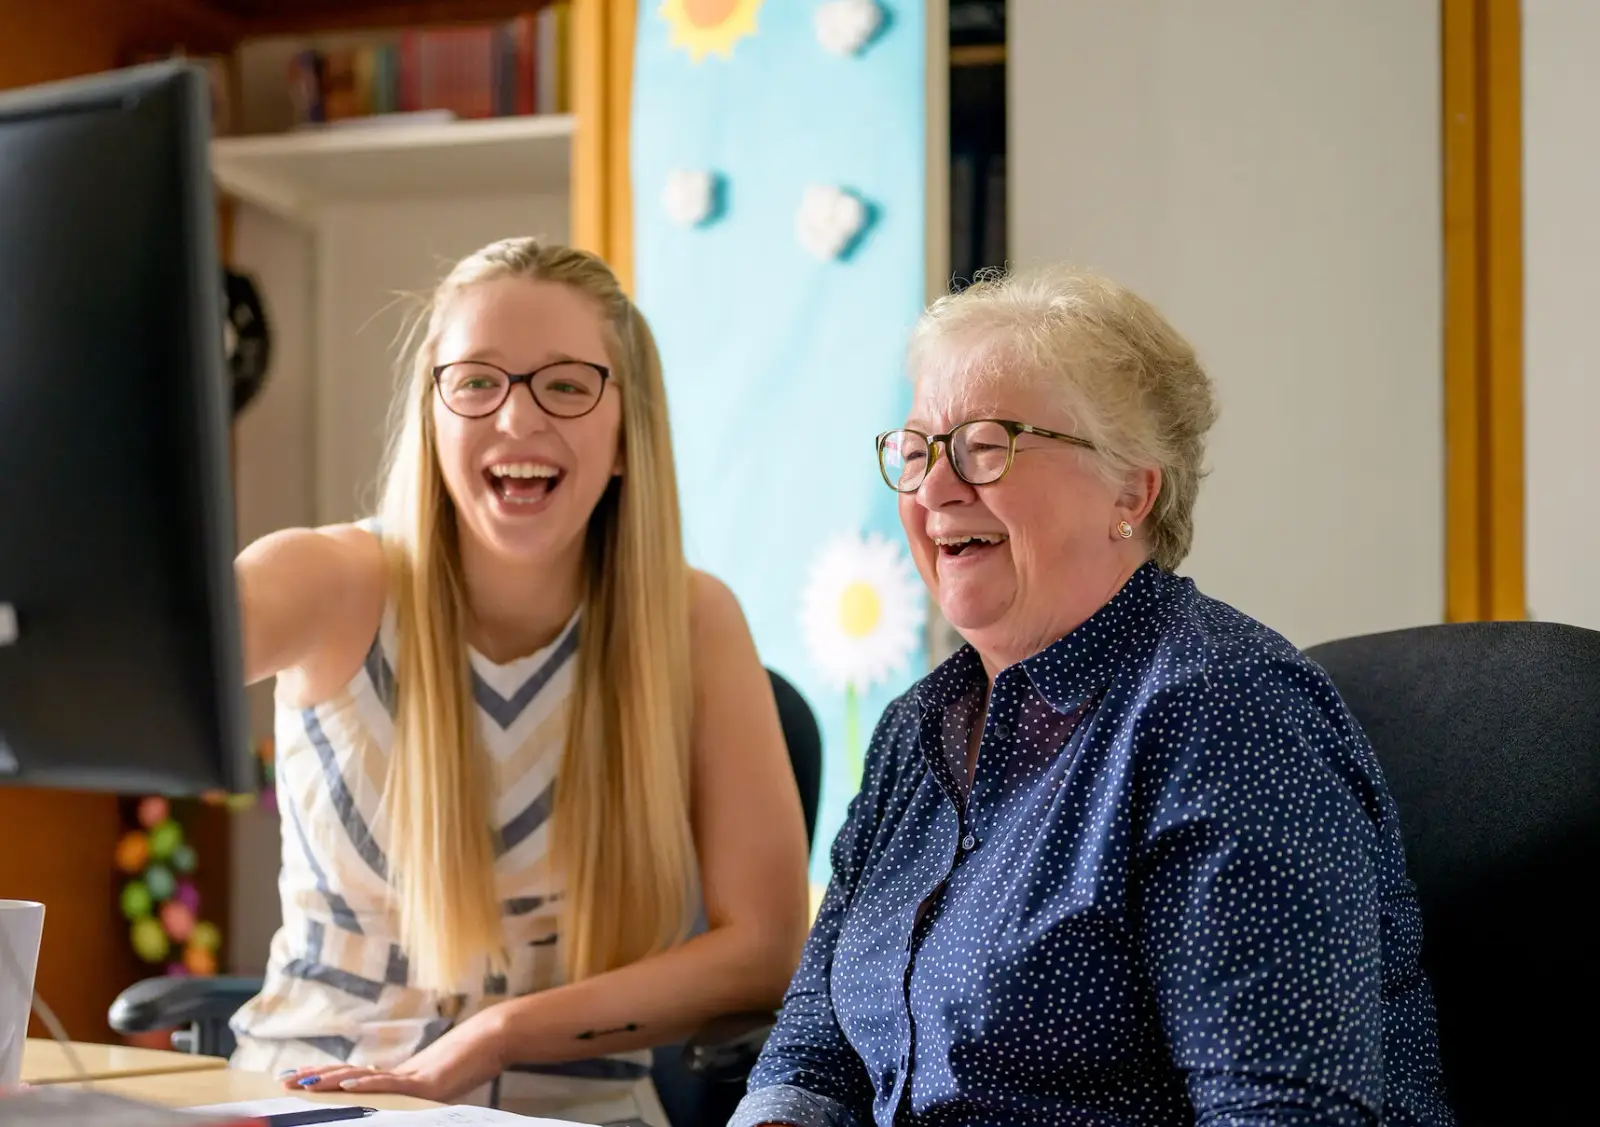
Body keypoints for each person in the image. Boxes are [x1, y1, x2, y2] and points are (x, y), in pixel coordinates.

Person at [732, 267, 1454, 1127]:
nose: (933, 490)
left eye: (985, 445)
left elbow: (1281, 1111)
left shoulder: (1223, 712)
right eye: (919, 450)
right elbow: (818, 1040)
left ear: (1130, 491)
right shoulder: (916, 728)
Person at [227, 238, 810, 1126]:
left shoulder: (693, 623)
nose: (516, 419)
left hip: (573, 1102)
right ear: (434, 415)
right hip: (312, 1086)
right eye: (477, 381)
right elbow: (135, 666)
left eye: (567, 385)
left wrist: (496, 1035)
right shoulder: (323, 579)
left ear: (626, 436)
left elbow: (766, 948)